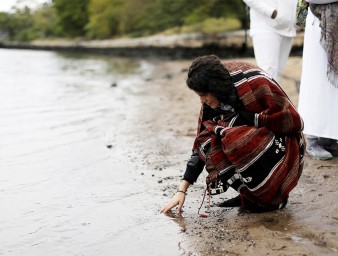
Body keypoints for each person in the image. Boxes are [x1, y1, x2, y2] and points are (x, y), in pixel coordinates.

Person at [160, 55, 305, 214]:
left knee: (234, 137)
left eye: (203, 95)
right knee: (215, 135)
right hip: (259, 142)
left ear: (215, 88)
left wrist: (247, 119)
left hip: (286, 145)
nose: (202, 101)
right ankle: (250, 197)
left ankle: (272, 198)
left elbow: (293, 121)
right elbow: (202, 143)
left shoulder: (253, 83)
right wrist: (181, 191)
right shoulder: (213, 102)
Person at [297, 0, 338, 160]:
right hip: (319, 23)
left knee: (332, 86)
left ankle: (329, 136)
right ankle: (312, 138)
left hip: (334, 22)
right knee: (316, 82)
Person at [242, 0, 297, 81]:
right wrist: (270, 12)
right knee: (268, 73)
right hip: (265, 27)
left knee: (276, 74)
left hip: (288, 29)